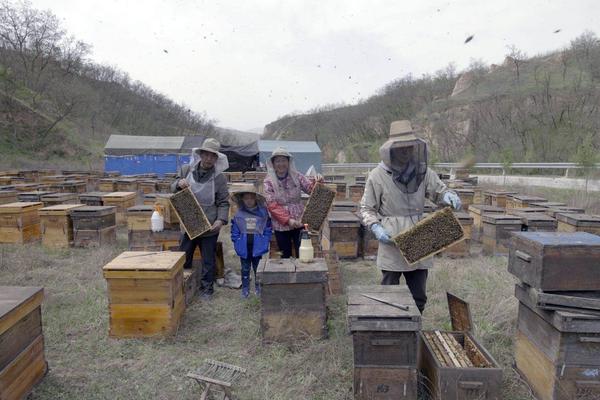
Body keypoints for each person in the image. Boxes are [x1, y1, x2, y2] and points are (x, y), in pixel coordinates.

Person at [359, 120, 461, 313]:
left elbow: (439, 192)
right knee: (389, 294)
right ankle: (390, 334)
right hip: (392, 240)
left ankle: (414, 332)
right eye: (401, 147)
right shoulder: (376, 176)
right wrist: (375, 227)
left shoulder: (424, 172)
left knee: (418, 297)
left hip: (419, 236)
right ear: (391, 149)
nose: (405, 151)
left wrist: (448, 195)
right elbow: (366, 208)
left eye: (409, 146)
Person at [171, 137, 230, 300]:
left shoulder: (219, 178)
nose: (209, 158)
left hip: (209, 225)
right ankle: (183, 287)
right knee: (184, 256)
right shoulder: (185, 170)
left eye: (213, 156)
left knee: (208, 260)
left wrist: (220, 220)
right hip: (188, 222)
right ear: (201, 154)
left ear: (216, 159)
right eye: (207, 155)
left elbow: (224, 202)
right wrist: (178, 184)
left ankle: (207, 289)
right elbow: (172, 186)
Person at [263, 147, 323, 258]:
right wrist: (288, 220)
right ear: (273, 163)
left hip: (299, 220)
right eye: (278, 161)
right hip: (280, 224)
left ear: (288, 161)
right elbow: (271, 204)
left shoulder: (297, 176)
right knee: (285, 255)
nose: (281, 164)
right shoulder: (268, 181)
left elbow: (311, 189)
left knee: (303, 252)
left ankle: (302, 275)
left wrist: (317, 181)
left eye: (283, 160)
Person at [230, 184, 273, 298]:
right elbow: (235, 230)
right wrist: (236, 241)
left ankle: (258, 287)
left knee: (257, 268)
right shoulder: (239, 214)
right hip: (244, 246)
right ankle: (245, 289)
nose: (249, 201)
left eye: (251, 198)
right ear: (242, 200)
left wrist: (265, 239)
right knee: (245, 268)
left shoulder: (263, 213)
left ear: (256, 199)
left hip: (257, 246)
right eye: (246, 198)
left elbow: (267, 228)